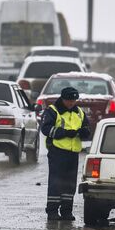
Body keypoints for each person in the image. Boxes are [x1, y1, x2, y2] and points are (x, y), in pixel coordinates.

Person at [40, 86, 91, 221]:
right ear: (62, 98)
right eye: (69, 100)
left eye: (73, 100)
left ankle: (66, 211)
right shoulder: (52, 111)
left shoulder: (79, 112)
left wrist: (85, 132)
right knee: (56, 183)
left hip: (73, 153)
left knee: (69, 184)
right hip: (58, 152)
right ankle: (52, 211)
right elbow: (46, 129)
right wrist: (64, 133)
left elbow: (87, 127)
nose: (71, 103)